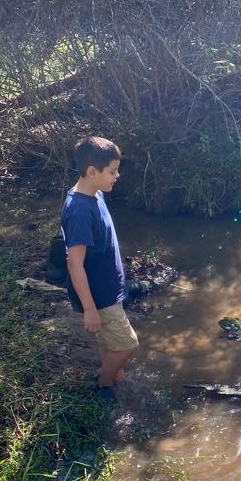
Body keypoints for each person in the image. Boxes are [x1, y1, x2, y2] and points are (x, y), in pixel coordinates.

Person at [60, 135, 138, 399]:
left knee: (107, 340)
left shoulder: (95, 194)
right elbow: (74, 263)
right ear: (92, 172)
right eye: (112, 171)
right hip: (101, 297)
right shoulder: (80, 211)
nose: (118, 175)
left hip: (106, 290)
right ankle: (104, 383)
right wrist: (90, 310)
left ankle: (114, 374)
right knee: (128, 345)